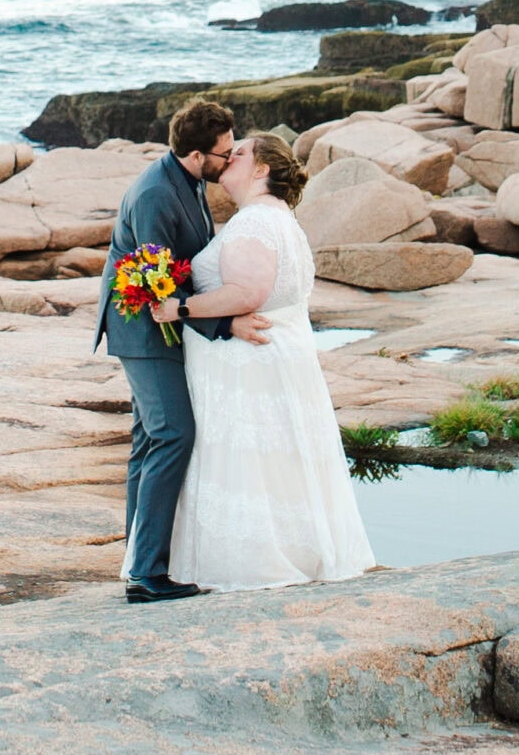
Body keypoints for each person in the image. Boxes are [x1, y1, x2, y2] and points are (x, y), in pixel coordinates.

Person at [155, 132, 375, 591]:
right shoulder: (279, 219)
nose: (227, 159)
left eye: (239, 154)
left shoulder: (255, 221)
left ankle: (251, 562)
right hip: (273, 358)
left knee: (247, 462)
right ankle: (298, 551)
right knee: (274, 461)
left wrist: (180, 309)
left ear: (261, 170)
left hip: (249, 367)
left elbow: (247, 293)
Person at [95, 99, 269, 604]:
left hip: (162, 326)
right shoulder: (154, 195)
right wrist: (224, 323)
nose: (230, 158)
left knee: (150, 440)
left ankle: (137, 562)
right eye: (223, 152)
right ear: (196, 156)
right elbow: (155, 289)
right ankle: (147, 574)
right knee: (174, 433)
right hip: (143, 331)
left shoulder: (188, 179)